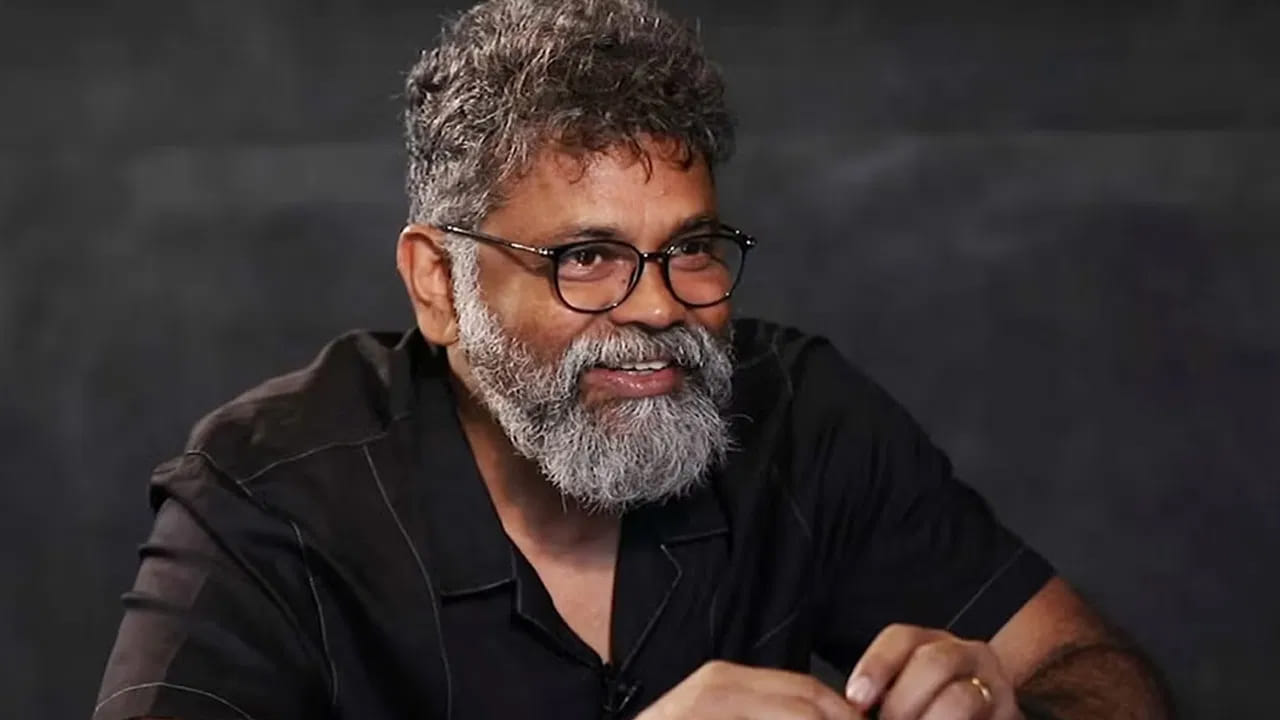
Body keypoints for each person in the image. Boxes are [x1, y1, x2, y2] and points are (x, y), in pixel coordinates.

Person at [94, 1, 1171, 718]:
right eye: (586, 258)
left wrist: (1001, 705)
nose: (658, 307)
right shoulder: (267, 494)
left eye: (691, 249)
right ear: (438, 286)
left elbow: (1101, 676)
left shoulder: (800, 418)